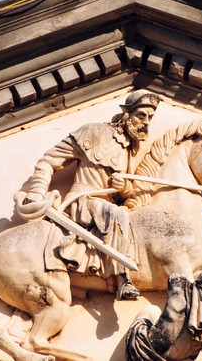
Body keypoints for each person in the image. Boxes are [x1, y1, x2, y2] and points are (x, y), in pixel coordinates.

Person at [24, 90, 161, 300]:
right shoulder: (92, 133)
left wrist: (123, 187)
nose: (146, 122)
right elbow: (48, 161)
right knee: (120, 215)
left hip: (106, 206)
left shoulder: (131, 148)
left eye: (150, 117)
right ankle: (121, 279)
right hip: (83, 201)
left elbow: (124, 191)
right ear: (126, 113)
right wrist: (36, 192)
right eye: (141, 115)